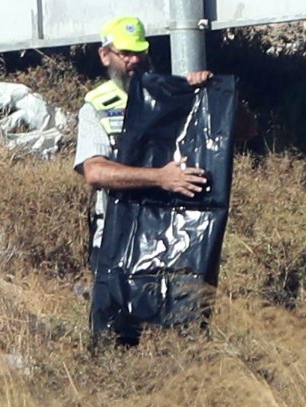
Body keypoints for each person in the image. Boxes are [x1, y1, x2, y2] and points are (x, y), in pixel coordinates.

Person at [74, 16, 212, 271]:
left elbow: (244, 132)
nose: (135, 60)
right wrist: (160, 178)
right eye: (125, 53)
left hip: (176, 233)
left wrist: (209, 92)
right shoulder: (95, 108)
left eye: (140, 52)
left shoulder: (174, 93)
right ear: (105, 55)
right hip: (118, 235)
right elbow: (95, 172)